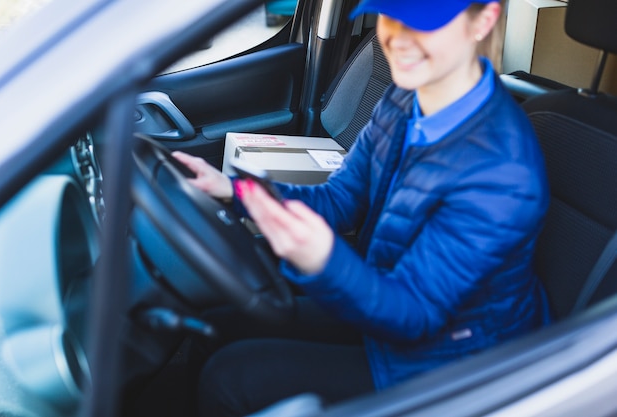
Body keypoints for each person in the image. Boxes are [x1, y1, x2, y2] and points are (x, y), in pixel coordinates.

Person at [172, 0, 552, 415]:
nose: (399, 37)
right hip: (384, 299)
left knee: (230, 377)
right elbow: (338, 200)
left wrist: (324, 261)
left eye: (424, 21)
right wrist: (236, 190)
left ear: (485, 19)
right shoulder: (404, 99)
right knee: (213, 325)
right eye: (391, 15)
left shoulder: (502, 170)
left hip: (449, 362)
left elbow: (416, 314)